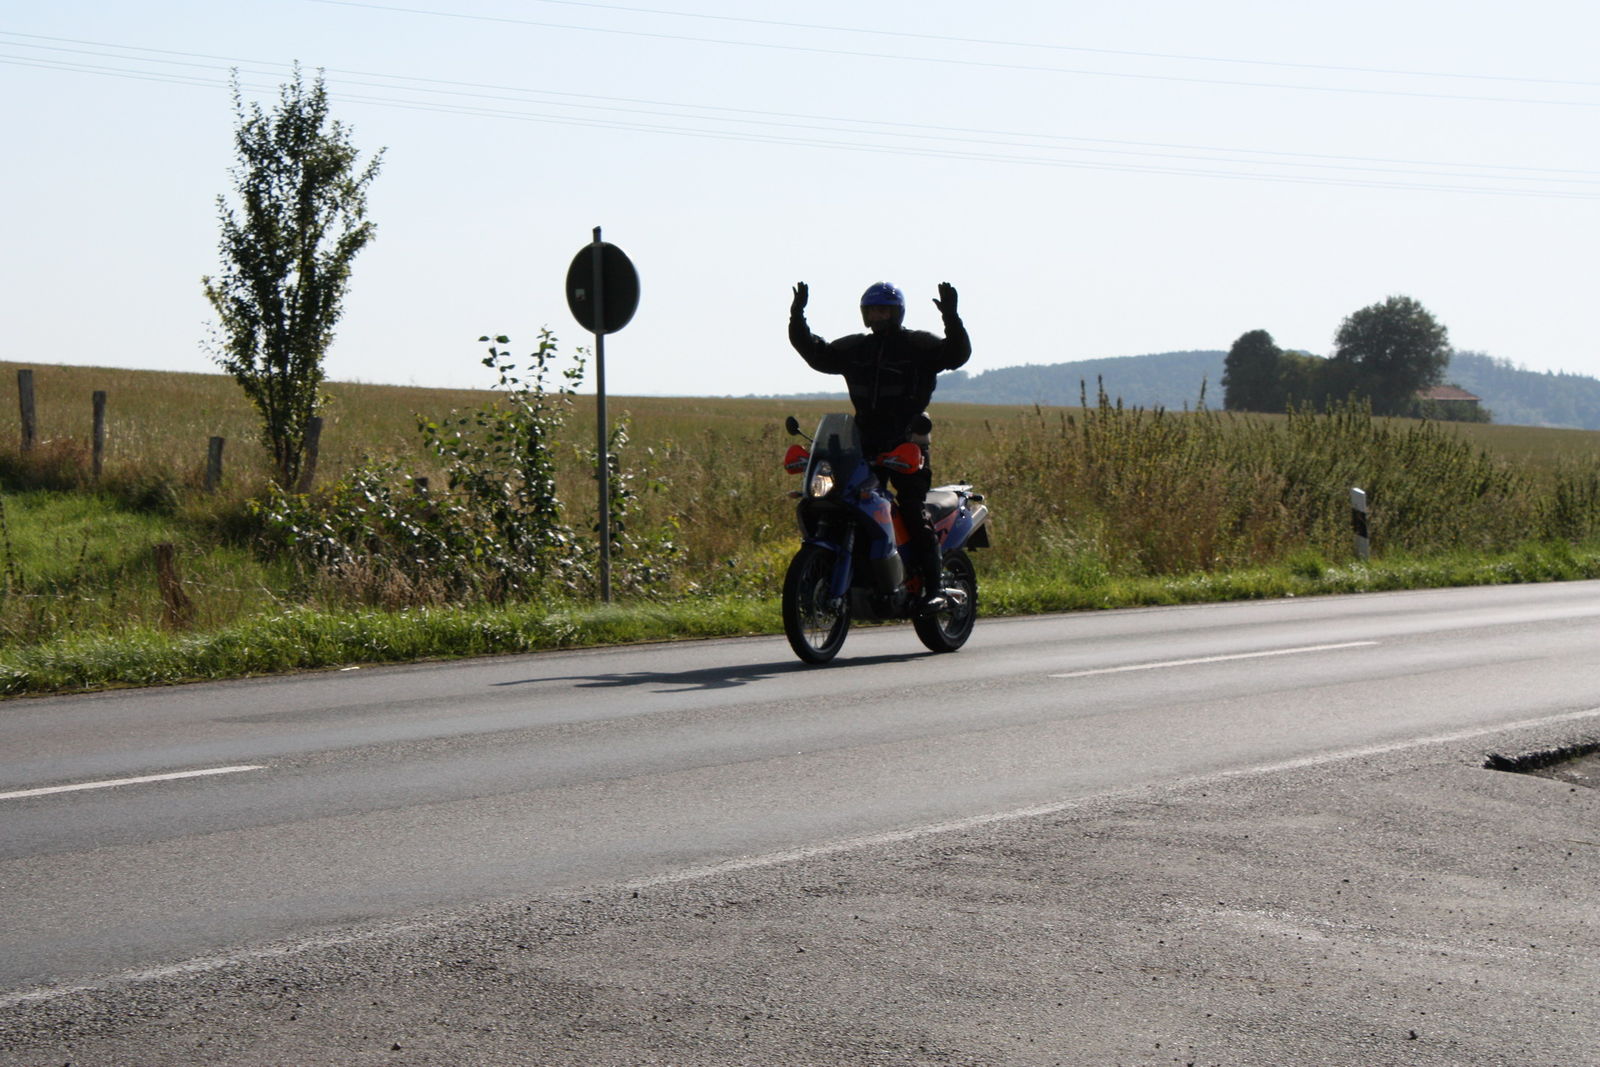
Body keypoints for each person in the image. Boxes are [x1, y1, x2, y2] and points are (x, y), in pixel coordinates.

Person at [788, 280, 971, 614]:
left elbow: (956, 355)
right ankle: (858, 577)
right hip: (863, 441)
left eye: (884, 310)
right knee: (843, 501)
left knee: (912, 508)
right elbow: (816, 354)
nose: (878, 316)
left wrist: (951, 317)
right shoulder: (856, 348)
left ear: (897, 313)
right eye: (872, 310)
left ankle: (934, 588)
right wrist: (797, 317)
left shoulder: (918, 345)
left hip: (907, 441)